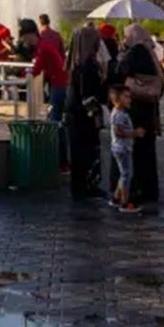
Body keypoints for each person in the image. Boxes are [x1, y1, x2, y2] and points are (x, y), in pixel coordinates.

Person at [118, 23, 163, 204]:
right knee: (148, 152)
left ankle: (139, 189)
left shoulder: (135, 52)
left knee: (138, 152)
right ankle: (150, 189)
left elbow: (122, 72)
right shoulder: (149, 51)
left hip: (137, 108)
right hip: (149, 110)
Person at [65, 25, 107, 201]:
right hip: (85, 117)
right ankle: (88, 186)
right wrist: (96, 114)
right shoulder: (87, 66)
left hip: (74, 115)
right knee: (88, 151)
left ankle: (80, 186)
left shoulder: (74, 64)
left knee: (77, 153)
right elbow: (89, 96)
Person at [29, 16, 69, 167]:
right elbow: (62, 55)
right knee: (57, 120)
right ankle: (62, 159)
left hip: (57, 85)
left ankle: (61, 161)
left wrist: (23, 74)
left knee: (55, 121)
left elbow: (36, 69)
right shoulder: (53, 38)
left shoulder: (43, 47)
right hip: (60, 82)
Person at [108, 84, 144, 213]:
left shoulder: (121, 113)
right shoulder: (118, 114)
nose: (129, 100)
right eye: (126, 97)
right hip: (122, 148)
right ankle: (125, 201)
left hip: (123, 147)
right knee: (126, 175)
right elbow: (119, 132)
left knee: (124, 174)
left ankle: (116, 198)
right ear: (116, 99)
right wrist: (135, 133)